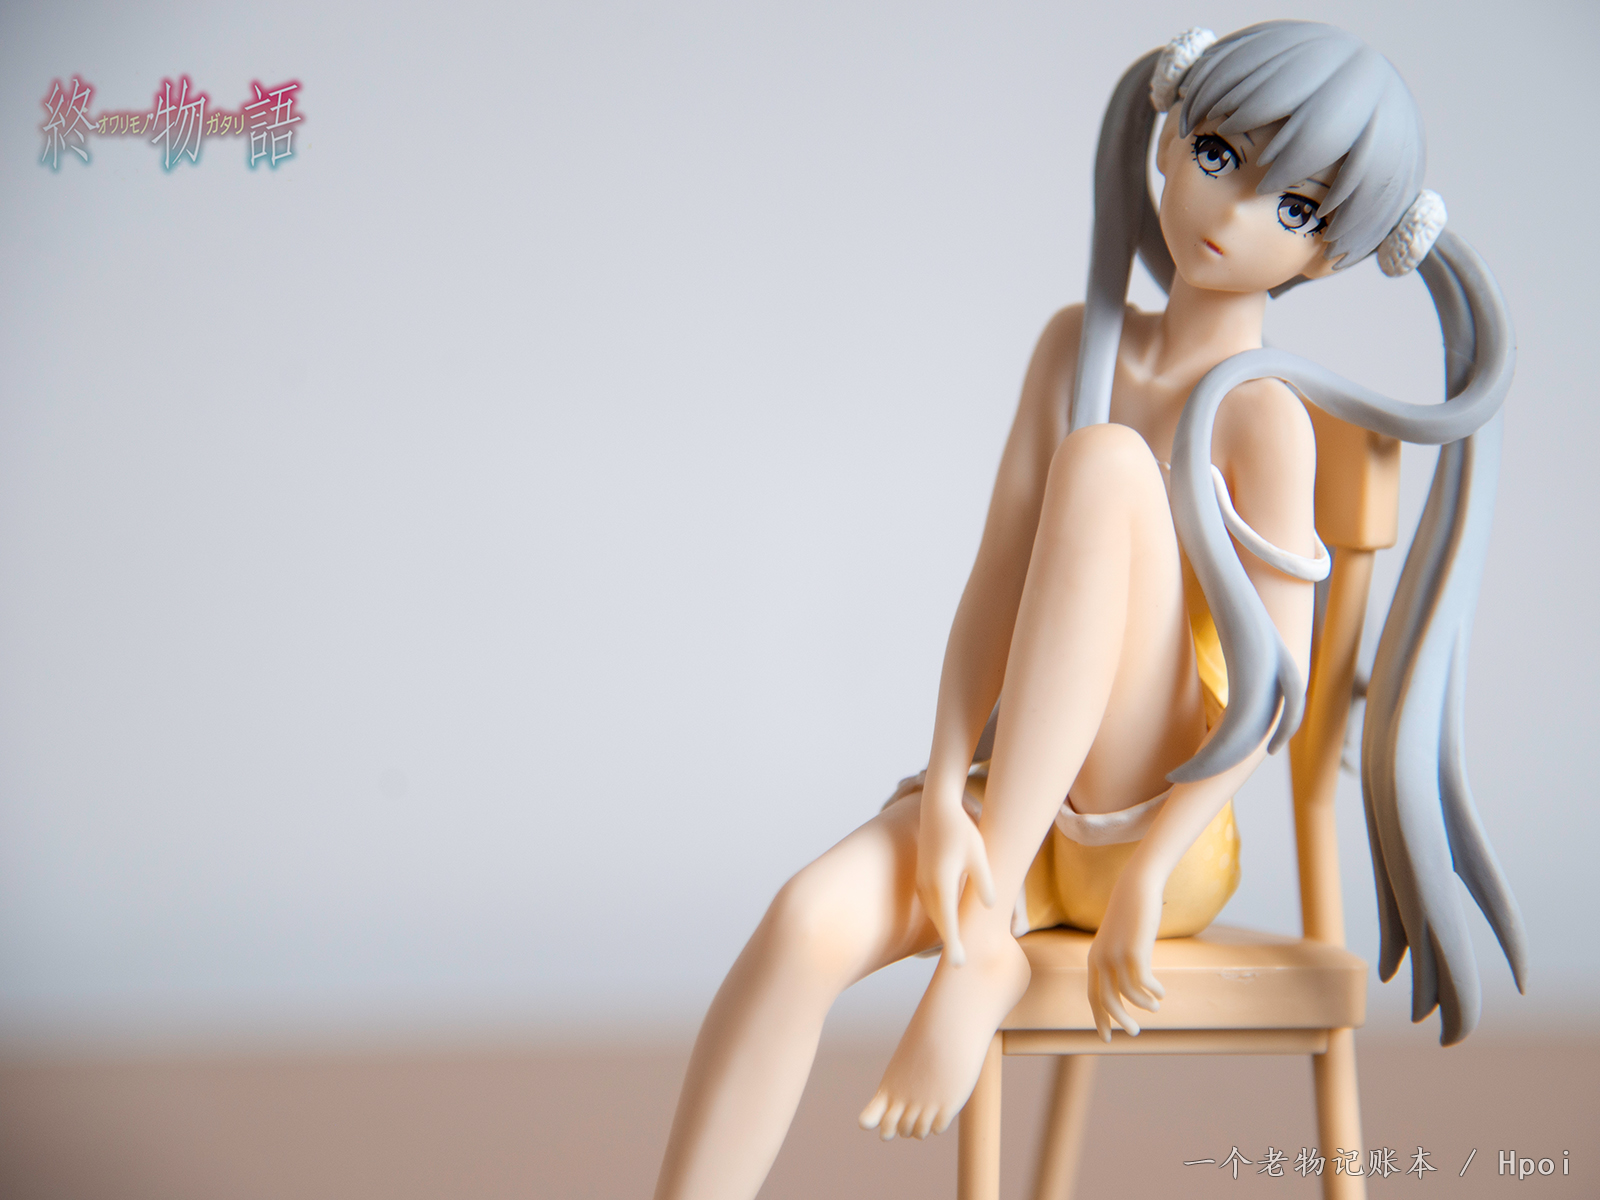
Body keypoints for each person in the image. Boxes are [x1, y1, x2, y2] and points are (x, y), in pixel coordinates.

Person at [653, 22, 1523, 1200]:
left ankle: (979, 955)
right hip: (1006, 804)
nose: (1235, 211)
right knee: (804, 921)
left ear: (1323, 258)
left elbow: (1269, 698)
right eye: (1218, 154)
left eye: (1295, 207)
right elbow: (994, 585)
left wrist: (1156, 867)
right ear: (1166, 142)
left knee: (1108, 462)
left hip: (1147, 832)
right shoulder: (1074, 348)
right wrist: (942, 784)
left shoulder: (1264, 418)